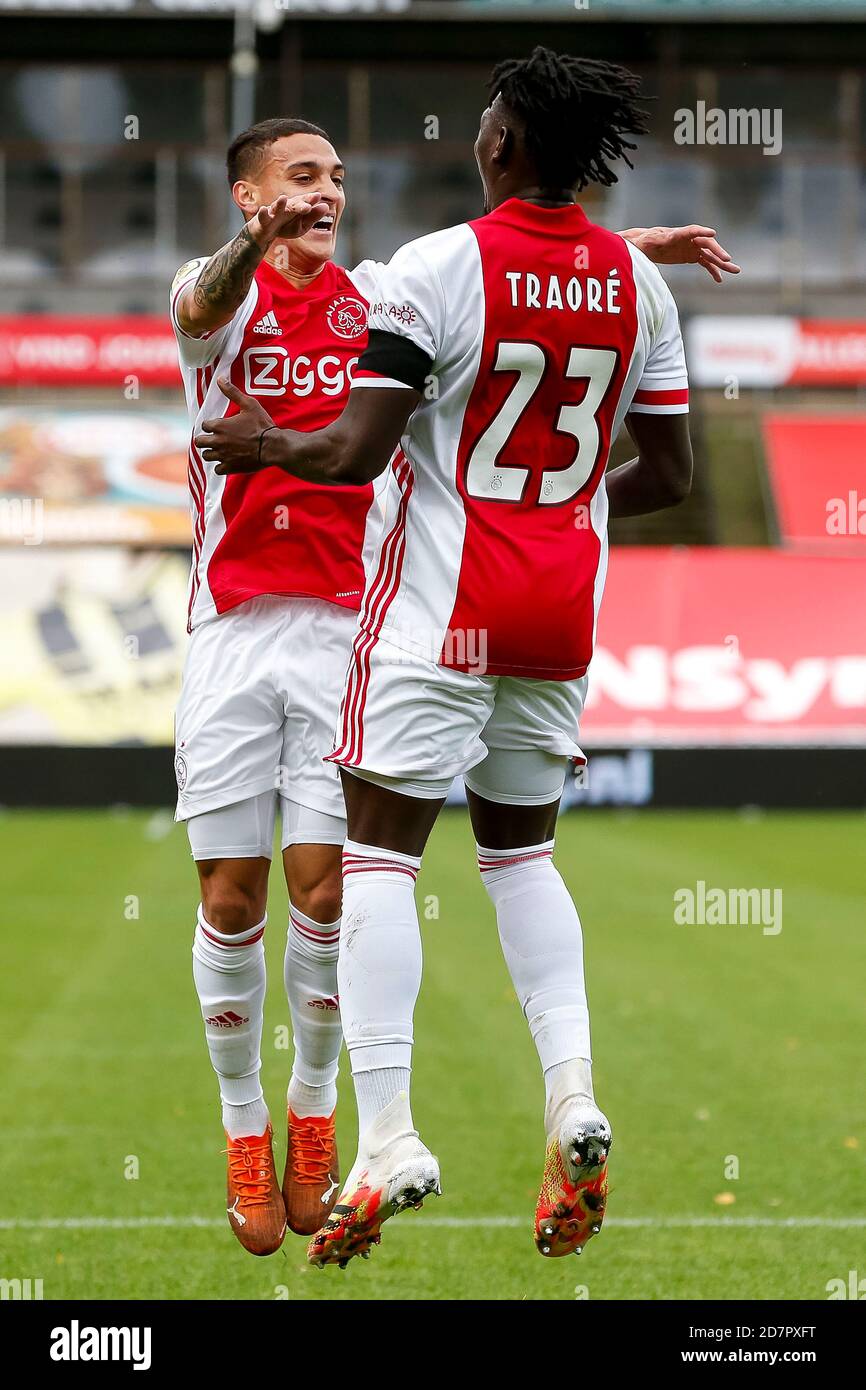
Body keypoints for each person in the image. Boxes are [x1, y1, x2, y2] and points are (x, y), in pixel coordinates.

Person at [176, 99, 736, 1256]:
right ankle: (253, 1129)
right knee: (235, 899)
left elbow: (490, 285)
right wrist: (635, 258)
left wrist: (628, 250)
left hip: (370, 623)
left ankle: (341, 1123)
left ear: (500, 146)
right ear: (246, 197)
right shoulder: (224, 290)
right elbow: (202, 305)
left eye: (332, 173)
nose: (322, 191)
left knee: (342, 886)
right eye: (296, 176)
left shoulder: (393, 283)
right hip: (241, 628)